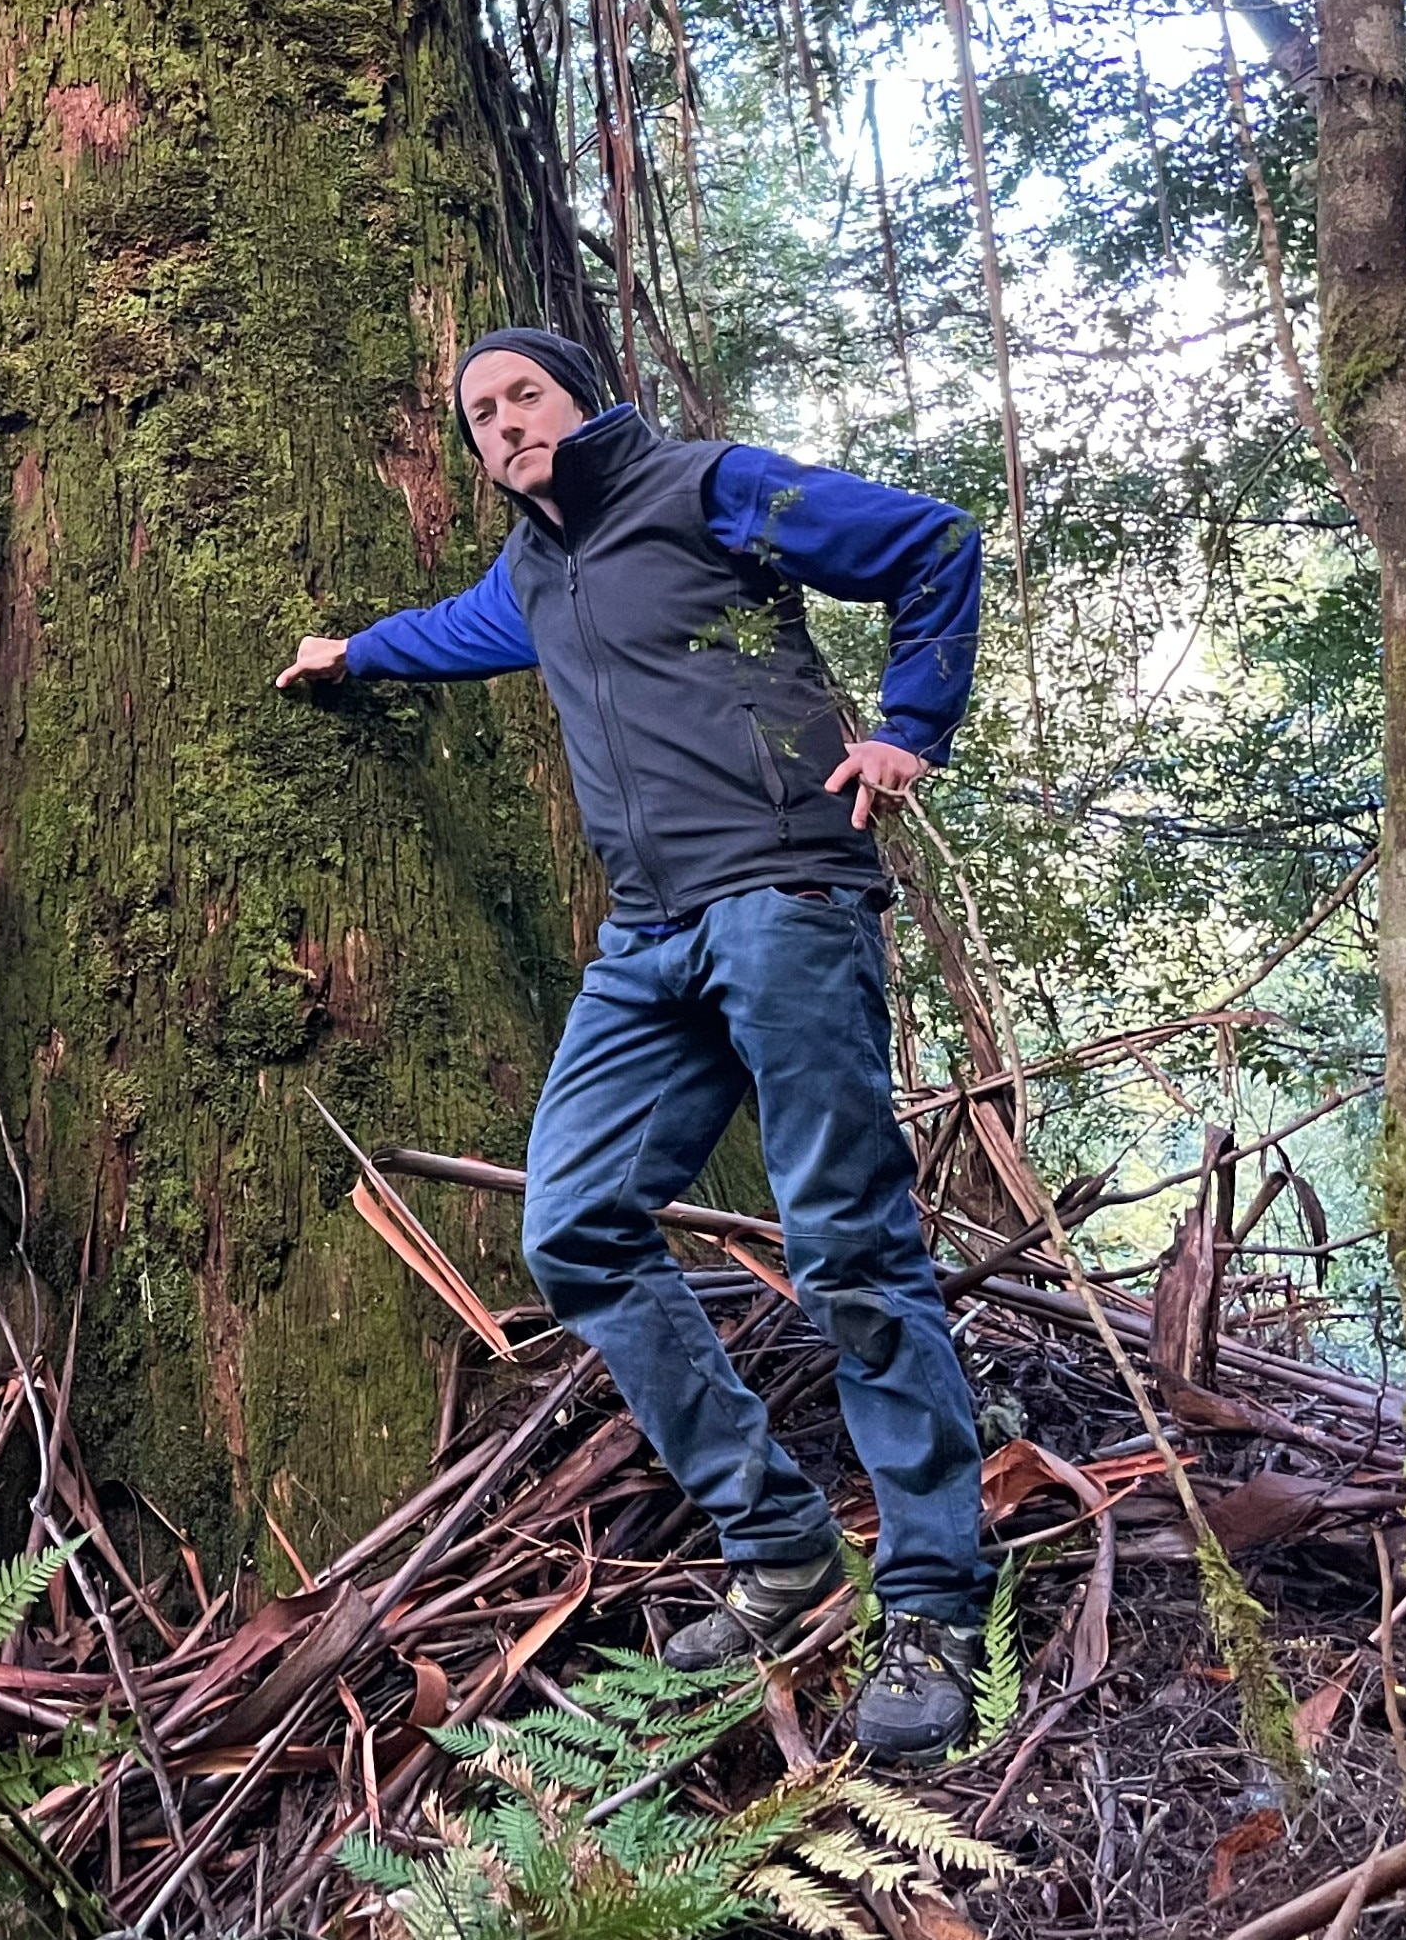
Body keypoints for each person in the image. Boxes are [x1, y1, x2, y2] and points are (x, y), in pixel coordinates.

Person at [278, 327, 993, 1761]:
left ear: (578, 399)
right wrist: (350, 652)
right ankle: (781, 1548)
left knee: (847, 1240)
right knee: (576, 1228)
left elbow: (930, 545)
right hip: (649, 936)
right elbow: (457, 634)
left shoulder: (707, 486)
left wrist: (909, 725)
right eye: (478, 414)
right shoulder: (531, 575)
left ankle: (931, 1603)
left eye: (522, 395)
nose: (503, 425)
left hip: (786, 891)